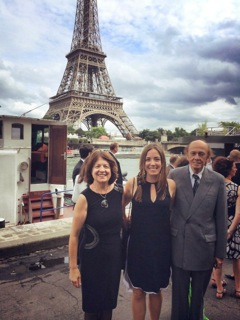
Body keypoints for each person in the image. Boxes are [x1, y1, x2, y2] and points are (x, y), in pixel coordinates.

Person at [168, 140, 227, 320]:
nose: (197, 157)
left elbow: (221, 218)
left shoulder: (217, 180)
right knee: (178, 299)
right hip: (179, 245)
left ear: (208, 157)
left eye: (201, 154)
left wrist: (220, 253)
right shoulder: (174, 175)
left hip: (205, 247)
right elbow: (166, 209)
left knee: (198, 300)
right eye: (193, 153)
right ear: (187, 154)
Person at [122, 143, 176, 320]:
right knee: (138, 291)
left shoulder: (171, 185)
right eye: (148, 159)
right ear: (142, 162)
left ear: (162, 161)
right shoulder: (133, 183)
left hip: (161, 247)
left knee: (156, 290)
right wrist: (126, 220)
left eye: (156, 159)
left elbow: (173, 212)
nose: (152, 163)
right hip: (138, 246)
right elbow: (120, 206)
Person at [69, 150, 123, 320]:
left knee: (108, 305)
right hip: (92, 258)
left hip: (114, 258)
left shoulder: (119, 194)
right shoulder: (85, 198)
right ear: (90, 170)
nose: (102, 170)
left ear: (112, 170)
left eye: (106, 166)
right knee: (92, 307)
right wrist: (73, 268)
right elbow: (74, 236)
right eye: (97, 166)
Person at [212, 156, 240, 299]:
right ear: (228, 170)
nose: (236, 169)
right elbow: (239, 212)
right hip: (232, 224)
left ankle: (219, 288)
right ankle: (238, 288)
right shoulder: (237, 188)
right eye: (234, 167)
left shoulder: (214, 187)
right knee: (237, 257)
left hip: (216, 224)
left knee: (217, 258)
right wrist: (231, 230)